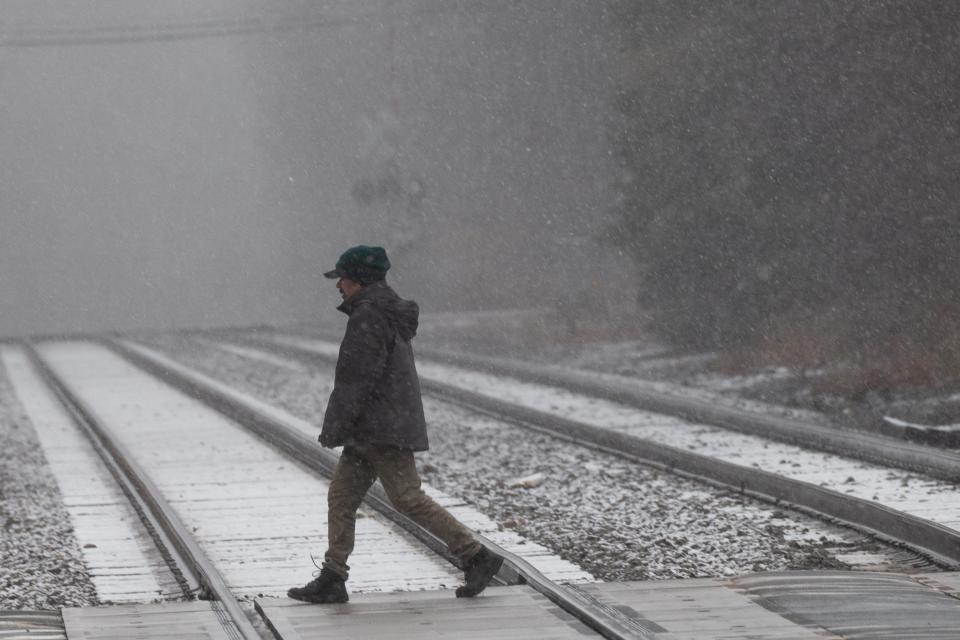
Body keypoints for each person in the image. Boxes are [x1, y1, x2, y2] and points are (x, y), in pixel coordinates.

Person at [288, 245, 503, 604]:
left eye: (342, 277)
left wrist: (335, 426)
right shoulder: (380, 310)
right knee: (342, 496)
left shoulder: (369, 316)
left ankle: (476, 555)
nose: (338, 284)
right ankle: (333, 576)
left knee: (407, 498)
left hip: (381, 427)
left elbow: (357, 379)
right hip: (376, 426)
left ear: (358, 279)